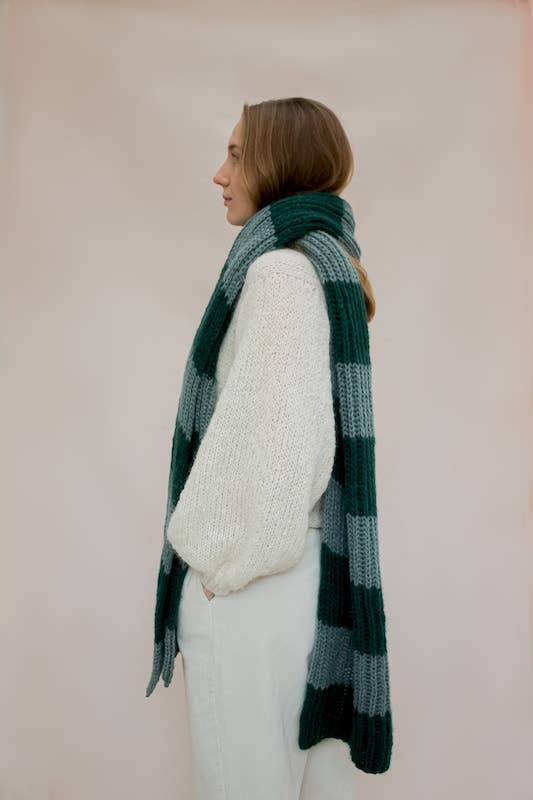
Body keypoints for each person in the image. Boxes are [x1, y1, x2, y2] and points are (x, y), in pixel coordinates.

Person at [166, 97, 379, 798]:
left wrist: (220, 566)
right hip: (306, 584)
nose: (219, 174)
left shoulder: (279, 272)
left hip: (254, 592)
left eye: (235, 155)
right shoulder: (325, 262)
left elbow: (282, 443)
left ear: (276, 163)